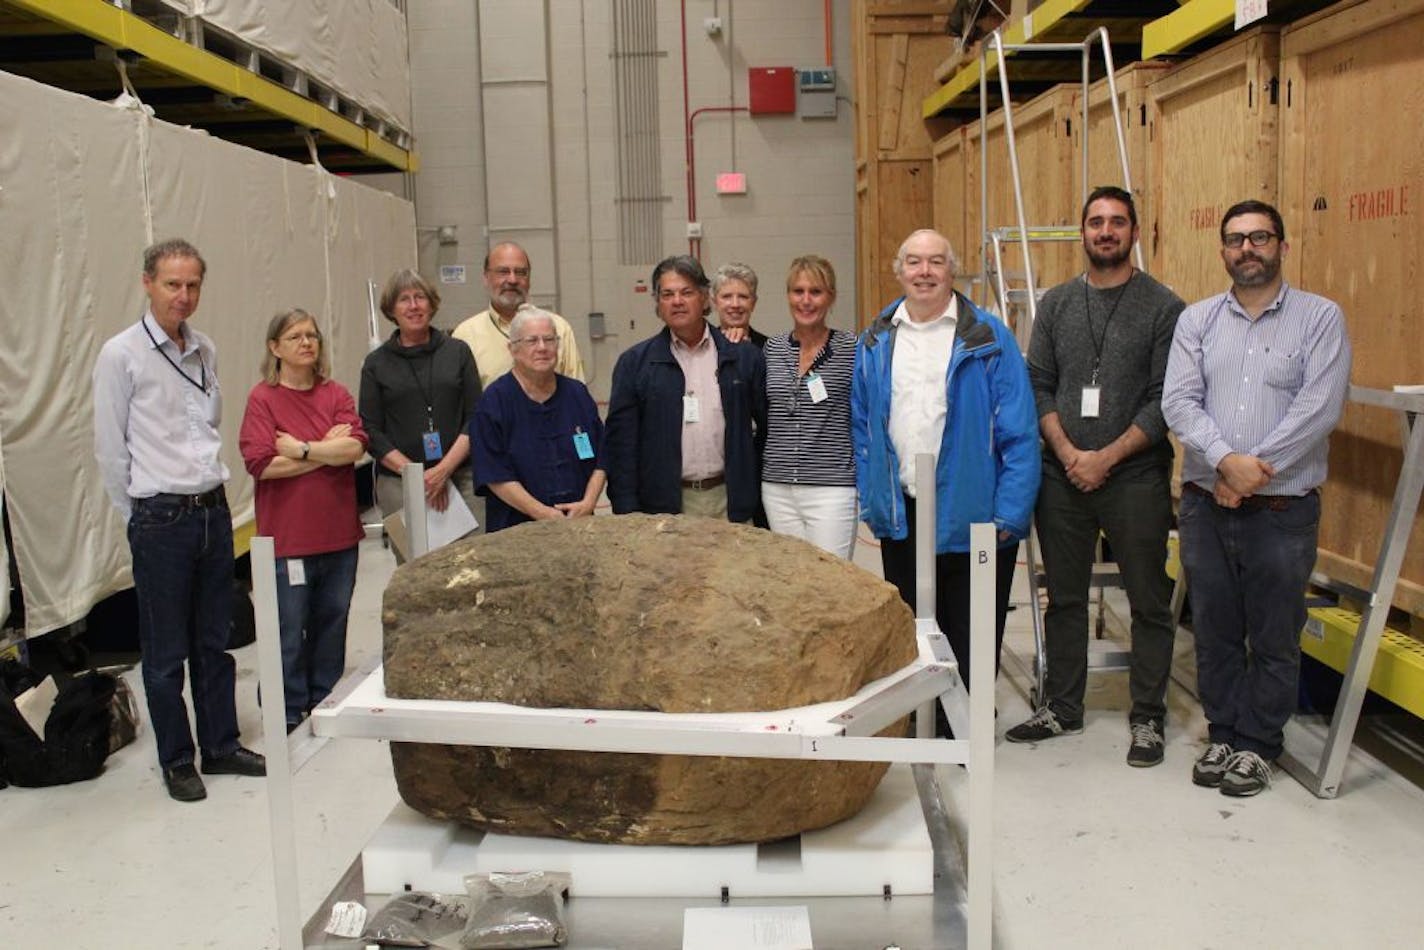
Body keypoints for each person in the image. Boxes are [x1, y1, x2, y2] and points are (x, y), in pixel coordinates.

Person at [1163, 200, 1351, 797]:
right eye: (1236, 239)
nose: (1248, 248)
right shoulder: (1196, 321)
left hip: (1282, 511)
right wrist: (1224, 461)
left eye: (1260, 237)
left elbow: (1317, 409)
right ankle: (1223, 731)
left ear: (1282, 246)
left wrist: (1249, 473)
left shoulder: (1320, 319)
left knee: (1274, 633)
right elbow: (1178, 402)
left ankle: (1259, 745)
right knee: (1214, 628)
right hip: (1204, 504)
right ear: (1222, 250)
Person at [1005, 187, 1185, 768]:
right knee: (1063, 597)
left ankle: (1148, 717)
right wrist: (1066, 450)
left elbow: (1165, 401)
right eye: (1095, 222)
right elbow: (1038, 383)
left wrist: (1105, 457)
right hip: (1062, 478)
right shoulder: (1056, 304)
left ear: (1136, 232)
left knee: (1149, 598)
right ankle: (1063, 705)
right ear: (1082, 232)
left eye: (1117, 222)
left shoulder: (1164, 307)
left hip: (1134, 477)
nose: (1105, 232)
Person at [92, 238, 266, 802]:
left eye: (192, 285)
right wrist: (140, 515)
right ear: (148, 283)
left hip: (211, 510)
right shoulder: (121, 355)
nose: (183, 296)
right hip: (161, 516)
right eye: (172, 284)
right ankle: (176, 758)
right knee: (165, 652)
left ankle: (219, 745)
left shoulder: (205, 349)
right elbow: (110, 451)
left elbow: (207, 426)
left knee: (214, 642)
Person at [852, 229, 1039, 731]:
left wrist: (1012, 511)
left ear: (950, 270)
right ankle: (922, 716)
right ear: (900, 270)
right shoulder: (876, 338)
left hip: (973, 506)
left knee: (971, 623)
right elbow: (863, 425)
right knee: (913, 621)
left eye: (936, 261)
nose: (925, 272)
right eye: (914, 261)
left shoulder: (988, 338)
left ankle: (967, 724)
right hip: (904, 508)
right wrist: (874, 497)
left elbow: (1019, 430)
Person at [239, 309, 367, 732]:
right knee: (288, 629)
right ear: (275, 348)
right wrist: (323, 454)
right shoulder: (263, 399)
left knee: (333, 621)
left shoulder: (336, 394)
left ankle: (324, 698)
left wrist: (300, 449)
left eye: (312, 335)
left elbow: (354, 449)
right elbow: (261, 463)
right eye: (294, 336)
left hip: (338, 537)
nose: (306, 342)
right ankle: (288, 707)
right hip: (288, 541)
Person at [604, 255, 767, 522]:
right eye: (667, 294)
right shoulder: (635, 364)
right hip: (664, 506)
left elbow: (766, 430)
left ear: (704, 299)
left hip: (731, 501)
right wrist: (627, 511)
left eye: (686, 292)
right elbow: (621, 445)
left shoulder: (743, 358)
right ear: (658, 304)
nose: (677, 301)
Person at [359, 269, 483, 535]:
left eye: (420, 297)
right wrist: (418, 478)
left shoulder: (458, 351)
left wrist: (443, 471)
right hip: (398, 483)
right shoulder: (376, 364)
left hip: (461, 476)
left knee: (472, 565)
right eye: (404, 299)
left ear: (432, 303)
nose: (414, 306)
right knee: (412, 569)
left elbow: (476, 417)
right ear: (391, 309)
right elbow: (370, 429)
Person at [471, 309, 606, 531]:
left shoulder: (577, 394)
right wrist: (541, 513)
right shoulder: (494, 402)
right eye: (532, 340)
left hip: (579, 524)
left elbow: (602, 457)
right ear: (513, 349)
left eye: (549, 339)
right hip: (516, 530)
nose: (542, 347)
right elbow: (494, 473)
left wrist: (589, 503)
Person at [760, 255, 858, 559]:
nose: (806, 300)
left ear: (831, 297)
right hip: (777, 487)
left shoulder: (851, 349)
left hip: (831, 487)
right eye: (798, 291)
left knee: (832, 582)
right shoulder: (772, 349)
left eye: (815, 292)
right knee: (790, 582)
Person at [453, 242, 585, 389]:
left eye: (520, 272)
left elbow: (576, 396)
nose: (512, 280)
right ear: (486, 277)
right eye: (503, 272)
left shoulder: (560, 328)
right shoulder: (465, 335)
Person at [712, 262, 767, 348]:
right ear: (715, 302)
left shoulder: (768, 349)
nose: (735, 304)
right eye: (727, 296)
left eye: (743, 297)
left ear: (753, 303)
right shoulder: (704, 346)